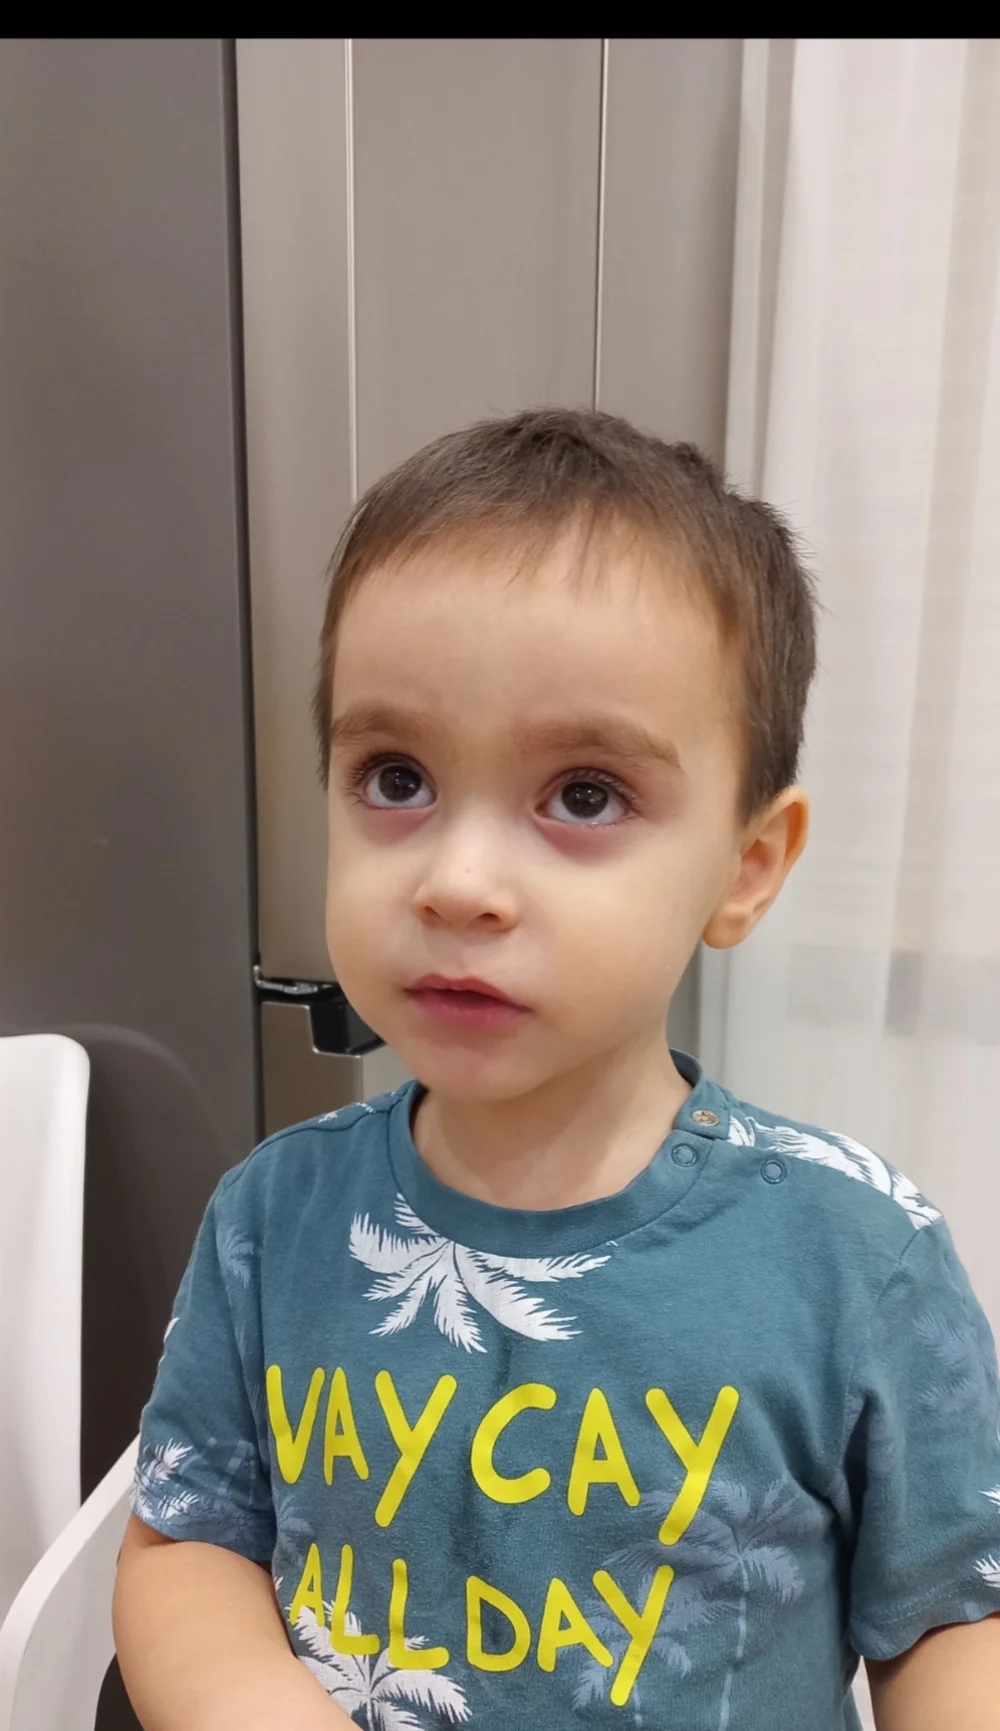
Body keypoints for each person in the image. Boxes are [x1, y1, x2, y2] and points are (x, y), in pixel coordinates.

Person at [113, 409, 1000, 1729]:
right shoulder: (271, 1220)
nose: (459, 881)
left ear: (747, 866)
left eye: (583, 794)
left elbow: (952, 1619)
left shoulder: (858, 1257)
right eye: (395, 777)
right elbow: (187, 1537)